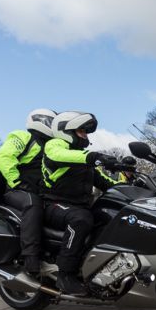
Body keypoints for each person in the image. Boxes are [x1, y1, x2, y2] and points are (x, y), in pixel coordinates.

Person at [41, 111, 121, 295]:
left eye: (86, 131)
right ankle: (65, 274)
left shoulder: (81, 156)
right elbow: (57, 155)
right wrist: (93, 157)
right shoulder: (54, 145)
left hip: (78, 205)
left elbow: (106, 182)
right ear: (66, 131)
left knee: (110, 215)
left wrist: (134, 186)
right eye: (81, 131)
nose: (85, 135)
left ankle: (97, 267)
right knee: (81, 219)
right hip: (54, 204)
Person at [0, 109, 57, 276]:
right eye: (51, 122)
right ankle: (31, 259)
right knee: (32, 203)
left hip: (40, 192)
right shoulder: (23, 137)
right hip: (18, 191)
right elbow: (4, 157)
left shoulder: (52, 145)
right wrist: (17, 182)